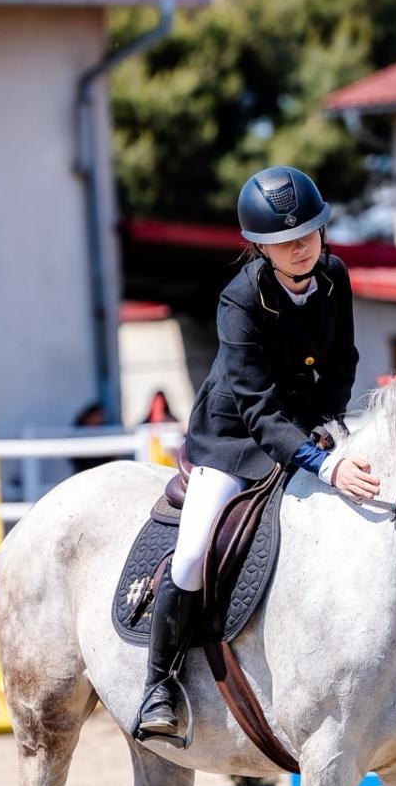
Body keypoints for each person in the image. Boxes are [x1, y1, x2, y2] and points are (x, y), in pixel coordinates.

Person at [138, 166, 381, 736]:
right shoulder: (239, 300)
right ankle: (159, 684)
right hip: (234, 436)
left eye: (308, 233)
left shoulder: (334, 275)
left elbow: (342, 362)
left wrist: (329, 424)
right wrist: (325, 465)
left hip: (307, 423)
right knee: (192, 554)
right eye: (284, 240)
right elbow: (258, 409)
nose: (300, 247)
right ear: (260, 247)